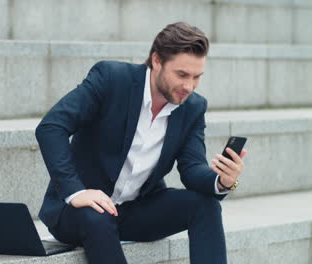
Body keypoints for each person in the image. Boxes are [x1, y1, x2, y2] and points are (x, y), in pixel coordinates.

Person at [35, 22, 247, 264]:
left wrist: (222, 181)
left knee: (206, 206)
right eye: (182, 75)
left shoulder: (193, 107)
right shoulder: (111, 79)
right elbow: (51, 126)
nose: (189, 86)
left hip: (136, 210)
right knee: (97, 217)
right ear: (157, 61)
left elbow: (191, 168)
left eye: (197, 77)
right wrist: (76, 191)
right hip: (80, 211)